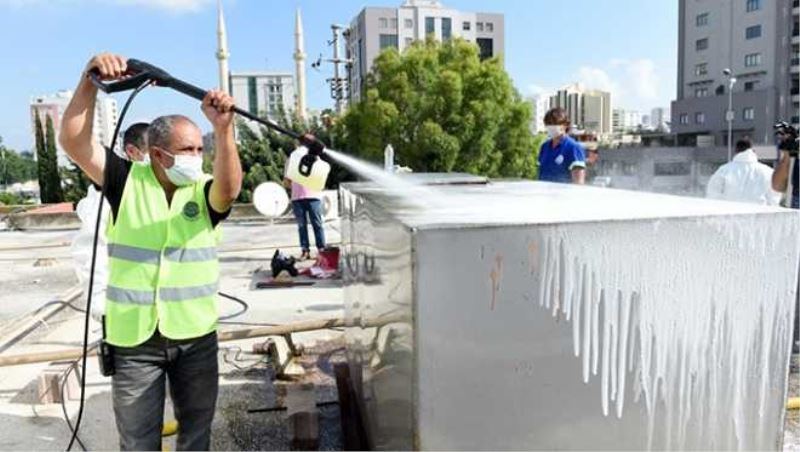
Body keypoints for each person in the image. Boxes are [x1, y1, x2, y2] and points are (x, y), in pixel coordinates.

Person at [59, 53, 242, 451]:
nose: (197, 157)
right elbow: (74, 142)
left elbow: (229, 190)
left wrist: (224, 131)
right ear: (159, 155)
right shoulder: (125, 180)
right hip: (134, 343)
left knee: (196, 435)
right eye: (188, 150)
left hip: (195, 338)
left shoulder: (204, 188)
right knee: (138, 440)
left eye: (200, 149)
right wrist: (89, 78)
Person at [71, 123, 150, 322]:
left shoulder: (154, 189)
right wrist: (101, 305)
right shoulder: (108, 196)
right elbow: (92, 250)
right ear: (132, 151)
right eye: (153, 151)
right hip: (121, 310)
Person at [705, 138, 780, 205]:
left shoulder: (724, 170)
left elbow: (712, 194)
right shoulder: (767, 171)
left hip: (730, 214)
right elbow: (774, 198)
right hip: (759, 215)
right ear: (753, 151)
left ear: (736, 151)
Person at [283, 147, 327, 260]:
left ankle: (321, 250)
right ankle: (306, 250)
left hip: (313, 196)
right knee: (304, 226)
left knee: (316, 224)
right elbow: (287, 180)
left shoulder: (316, 158)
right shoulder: (291, 160)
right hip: (298, 198)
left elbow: (321, 173)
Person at [538, 108, 586, 184]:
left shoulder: (574, 148)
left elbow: (578, 182)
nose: (551, 127)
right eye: (548, 124)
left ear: (565, 125)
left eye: (554, 123)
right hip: (544, 194)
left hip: (563, 194)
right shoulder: (544, 147)